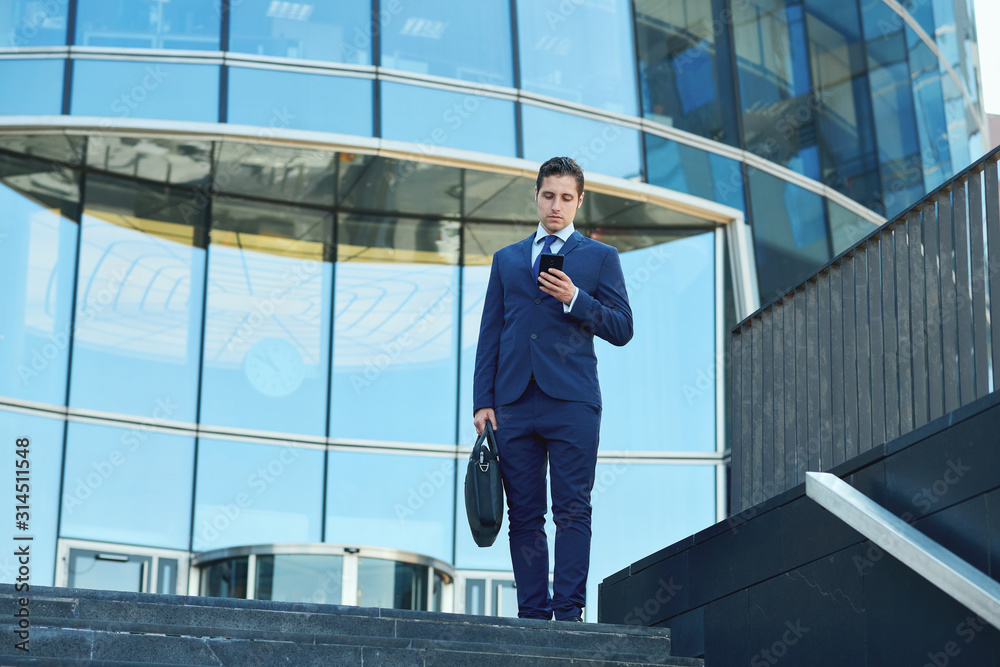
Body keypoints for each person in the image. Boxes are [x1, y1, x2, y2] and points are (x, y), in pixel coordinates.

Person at [472, 156, 633, 622]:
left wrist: (576, 299)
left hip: (573, 402)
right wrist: (483, 401)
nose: (556, 205)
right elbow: (491, 334)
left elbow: (622, 327)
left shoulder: (601, 258)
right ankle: (532, 615)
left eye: (566, 197)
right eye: (548, 195)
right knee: (524, 517)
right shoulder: (506, 260)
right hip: (514, 403)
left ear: (580, 201)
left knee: (572, 511)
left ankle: (568, 612)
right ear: (537, 197)